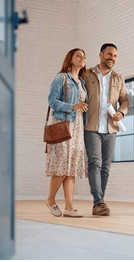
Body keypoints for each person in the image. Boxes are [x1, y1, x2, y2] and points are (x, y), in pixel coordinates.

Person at [84, 43, 129, 216]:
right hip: (92, 127)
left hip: (111, 129)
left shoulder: (119, 78)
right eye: (109, 54)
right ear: (101, 54)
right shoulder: (87, 74)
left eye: (115, 56)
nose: (112, 58)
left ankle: (99, 203)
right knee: (94, 163)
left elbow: (125, 100)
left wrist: (121, 112)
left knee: (106, 167)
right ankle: (99, 201)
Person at [45, 48, 89, 218]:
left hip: (77, 128)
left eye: (84, 56)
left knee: (71, 169)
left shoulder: (82, 82)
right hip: (63, 125)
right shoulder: (61, 77)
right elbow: (52, 101)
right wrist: (73, 106)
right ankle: (50, 199)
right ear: (70, 59)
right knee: (62, 167)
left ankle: (69, 208)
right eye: (78, 55)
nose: (82, 58)